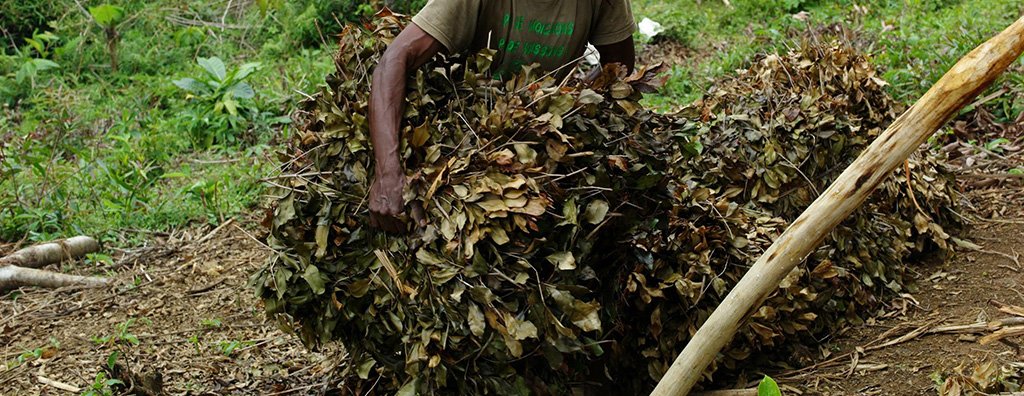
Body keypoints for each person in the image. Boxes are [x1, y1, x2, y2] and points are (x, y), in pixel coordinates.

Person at [368, 0, 637, 232]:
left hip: (546, 145)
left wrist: (571, 98)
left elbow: (619, 68)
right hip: (469, 137)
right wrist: (388, 173)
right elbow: (394, 60)